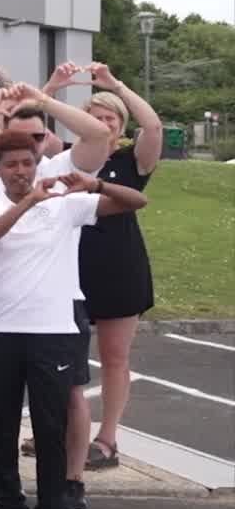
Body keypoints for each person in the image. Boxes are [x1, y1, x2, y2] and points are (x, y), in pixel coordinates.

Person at [0, 130, 146, 509]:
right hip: (1, 330)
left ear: (37, 166)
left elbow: (135, 202)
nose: (20, 171)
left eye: (27, 163)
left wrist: (96, 184)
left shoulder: (67, 207)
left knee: (51, 428)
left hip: (52, 332)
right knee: (5, 426)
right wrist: (29, 202)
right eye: (11, 165)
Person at [65, 65, 160, 477]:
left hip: (121, 270)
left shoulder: (131, 161)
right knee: (66, 360)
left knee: (114, 357)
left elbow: (153, 125)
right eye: (96, 116)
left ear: (120, 127)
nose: (103, 124)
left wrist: (116, 85)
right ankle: (69, 431)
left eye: (111, 119)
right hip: (70, 270)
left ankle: (106, 439)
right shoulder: (71, 160)